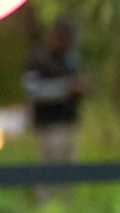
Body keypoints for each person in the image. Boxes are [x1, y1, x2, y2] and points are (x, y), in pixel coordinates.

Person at [23, 15, 86, 202]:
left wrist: (80, 88)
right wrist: (64, 88)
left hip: (70, 121)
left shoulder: (71, 58)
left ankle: (67, 209)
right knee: (49, 168)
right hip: (49, 123)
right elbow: (32, 90)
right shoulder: (38, 58)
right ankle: (46, 209)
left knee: (70, 168)